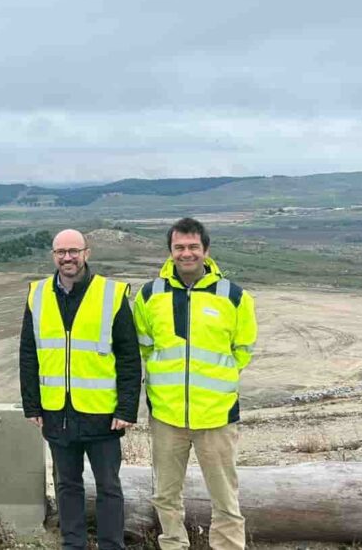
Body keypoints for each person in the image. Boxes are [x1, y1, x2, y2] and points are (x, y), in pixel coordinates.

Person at [133, 218, 258, 550]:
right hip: (166, 416)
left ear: (206, 250)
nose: (186, 253)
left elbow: (243, 348)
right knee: (165, 495)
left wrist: (223, 379)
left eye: (193, 247)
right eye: (179, 247)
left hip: (216, 418)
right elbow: (144, 345)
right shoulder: (149, 295)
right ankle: (173, 544)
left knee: (225, 498)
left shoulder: (234, 296)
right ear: (170, 251)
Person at [18, 229, 141, 550]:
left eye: (74, 250)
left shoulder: (110, 294)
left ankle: (111, 545)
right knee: (67, 486)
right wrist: (32, 405)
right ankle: (72, 544)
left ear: (87, 253)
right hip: (57, 412)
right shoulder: (38, 294)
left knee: (109, 487)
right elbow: (29, 354)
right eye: (61, 251)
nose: (67, 257)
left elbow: (129, 356)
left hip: (102, 413)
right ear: (53, 255)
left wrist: (126, 408)